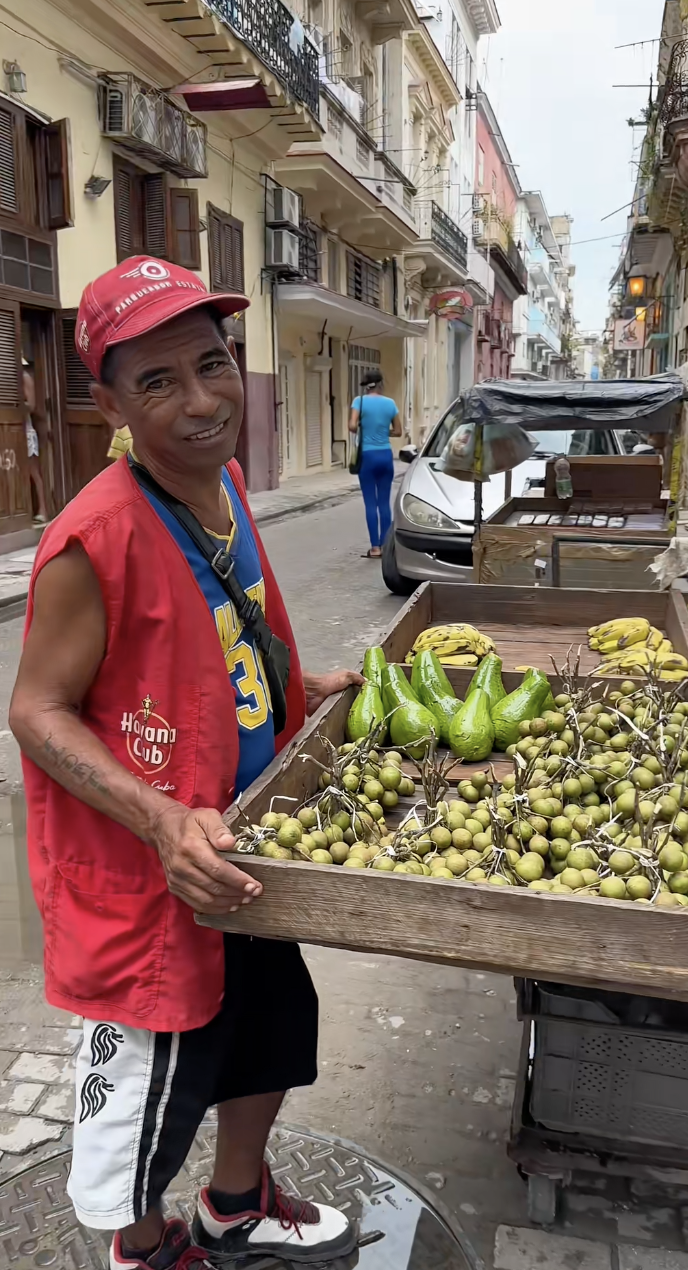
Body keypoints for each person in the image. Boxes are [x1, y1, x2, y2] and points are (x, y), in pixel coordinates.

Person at [10, 256, 364, 1270]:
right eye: (156, 381)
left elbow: (219, 645)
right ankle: (142, 1247)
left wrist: (308, 692)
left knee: (273, 1029)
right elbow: (34, 710)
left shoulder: (225, 486)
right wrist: (162, 818)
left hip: (243, 850)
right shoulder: (95, 539)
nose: (201, 401)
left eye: (210, 365)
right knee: (150, 1092)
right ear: (108, 400)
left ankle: (235, 1202)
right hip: (152, 887)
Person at [348, 370, 401, 558]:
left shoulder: (359, 402)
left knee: (370, 503)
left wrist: (365, 427)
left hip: (367, 457)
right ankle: (386, 546)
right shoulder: (390, 403)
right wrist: (382, 432)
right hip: (385, 455)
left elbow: (352, 426)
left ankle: (375, 548)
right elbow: (398, 431)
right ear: (380, 384)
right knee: (384, 503)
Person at [22, 360, 48, 523]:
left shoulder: (25, 378)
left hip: (26, 429)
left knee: (33, 471)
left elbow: (31, 405)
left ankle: (43, 510)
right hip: (15, 430)